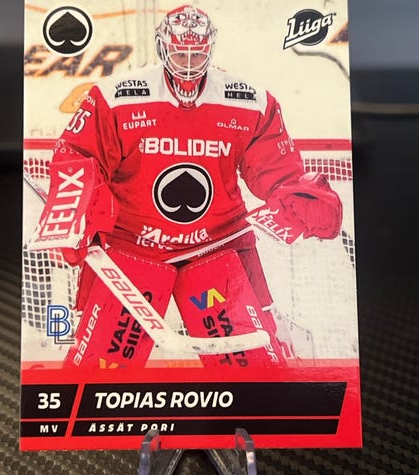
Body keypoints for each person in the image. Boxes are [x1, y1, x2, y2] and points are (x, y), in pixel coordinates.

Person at [32, 5, 342, 369]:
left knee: (254, 367)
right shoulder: (116, 96)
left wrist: (298, 197)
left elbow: (276, 170)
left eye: (197, 54)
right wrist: (75, 214)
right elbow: (78, 155)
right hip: (133, 247)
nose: (189, 63)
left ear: (211, 48)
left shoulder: (250, 100)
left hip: (218, 245)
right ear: (163, 47)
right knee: (102, 367)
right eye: (181, 53)